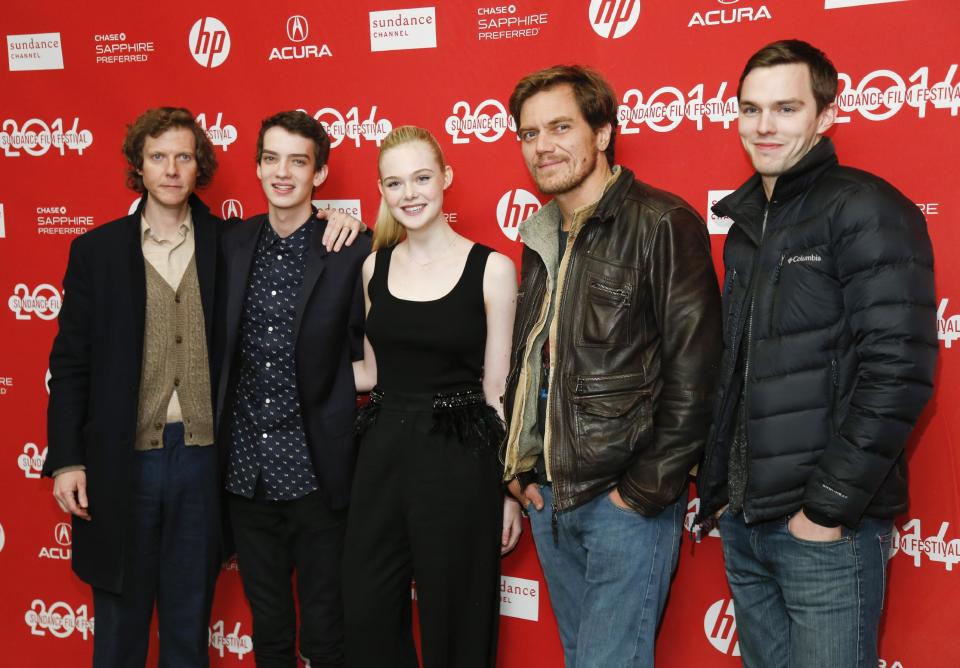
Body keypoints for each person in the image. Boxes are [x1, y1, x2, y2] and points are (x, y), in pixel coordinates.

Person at [695, 40, 937, 668]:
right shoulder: (748, 226)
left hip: (822, 532)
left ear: (825, 115)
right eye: (751, 110)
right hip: (747, 523)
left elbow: (901, 369)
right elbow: (739, 368)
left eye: (785, 108)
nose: (764, 126)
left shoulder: (865, 209)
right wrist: (720, 491)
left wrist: (825, 508)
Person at [502, 66, 722, 667]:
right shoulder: (542, 233)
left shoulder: (661, 222)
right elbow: (534, 362)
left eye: (560, 127)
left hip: (620, 501)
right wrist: (519, 472)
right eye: (528, 133)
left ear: (602, 132)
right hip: (549, 497)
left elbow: (697, 372)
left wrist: (644, 490)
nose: (542, 145)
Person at [44, 107, 223, 667]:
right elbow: (71, 363)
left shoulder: (233, 244)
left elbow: (302, 241)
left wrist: (340, 225)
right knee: (118, 636)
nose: (171, 169)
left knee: (189, 631)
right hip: (123, 463)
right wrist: (69, 458)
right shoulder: (95, 252)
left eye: (184, 157)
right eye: (158, 156)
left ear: (200, 167)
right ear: (138, 166)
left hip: (203, 462)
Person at [342, 125, 523, 667]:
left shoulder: (492, 268)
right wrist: (291, 375)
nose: (410, 193)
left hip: (459, 458)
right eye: (395, 183)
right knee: (366, 612)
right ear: (382, 190)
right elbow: (373, 371)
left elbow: (497, 392)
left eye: (422, 177)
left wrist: (508, 490)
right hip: (381, 455)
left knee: (458, 621)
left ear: (445, 178)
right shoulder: (374, 265)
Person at [215, 110, 370, 668]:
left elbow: (373, 353)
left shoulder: (351, 248)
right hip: (245, 476)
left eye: (298, 162)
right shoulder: (230, 245)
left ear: (319, 173)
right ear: (257, 166)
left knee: (326, 633)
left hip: (317, 475)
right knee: (270, 631)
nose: (283, 173)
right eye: (272, 158)